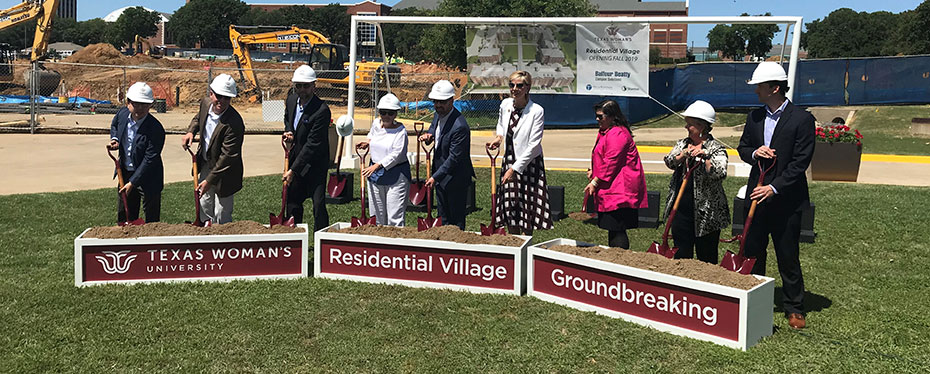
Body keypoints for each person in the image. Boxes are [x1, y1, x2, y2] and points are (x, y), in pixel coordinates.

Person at [737, 61, 815, 330]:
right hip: (756, 198)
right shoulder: (754, 117)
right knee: (753, 250)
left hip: (785, 200)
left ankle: (794, 307)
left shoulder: (802, 119)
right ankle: (755, 296)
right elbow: (743, 148)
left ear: (775, 88)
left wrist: (774, 187)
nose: (756, 91)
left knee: (787, 254)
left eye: (760, 86)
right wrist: (754, 152)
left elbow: (800, 162)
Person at [487, 71, 553, 235]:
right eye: (512, 85)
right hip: (509, 159)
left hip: (529, 164)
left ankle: (525, 245)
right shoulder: (505, 105)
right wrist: (499, 137)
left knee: (526, 206)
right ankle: (513, 241)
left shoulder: (536, 111)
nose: (515, 89)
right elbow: (501, 125)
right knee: (510, 205)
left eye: (519, 85)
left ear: (527, 88)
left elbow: (533, 144)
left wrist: (515, 169)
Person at [663, 100, 730, 264]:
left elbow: (719, 173)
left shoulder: (716, 149)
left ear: (702, 126)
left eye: (690, 125)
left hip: (707, 213)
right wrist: (684, 154)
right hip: (681, 209)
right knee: (681, 254)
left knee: (706, 257)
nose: (686, 128)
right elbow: (670, 161)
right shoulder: (683, 144)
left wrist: (705, 156)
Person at [181, 74, 245, 224]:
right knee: (204, 205)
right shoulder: (205, 104)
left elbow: (228, 156)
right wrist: (191, 131)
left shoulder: (234, 123)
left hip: (226, 171)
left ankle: (223, 243)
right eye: (219, 96)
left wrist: (209, 180)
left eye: (227, 98)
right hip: (205, 163)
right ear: (211, 93)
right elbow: (198, 118)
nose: (222, 101)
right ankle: (206, 237)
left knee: (222, 212)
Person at [584, 100, 646, 249]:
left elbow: (611, 162)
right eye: (596, 116)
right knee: (613, 228)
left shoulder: (618, 134)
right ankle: (615, 259)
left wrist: (595, 181)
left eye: (601, 117)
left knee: (617, 228)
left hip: (620, 190)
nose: (597, 120)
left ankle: (619, 261)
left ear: (612, 116)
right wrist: (594, 171)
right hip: (613, 187)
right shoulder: (607, 132)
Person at [418, 80, 475, 230]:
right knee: (442, 217)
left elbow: (454, 159)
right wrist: (430, 135)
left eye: (442, 102)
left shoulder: (460, 126)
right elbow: (434, 127)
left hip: (455, 178)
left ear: (451, 100)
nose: (438, 105)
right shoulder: (439, 114)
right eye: (435, 102)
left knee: (455, 221)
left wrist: (435, 177)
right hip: (441, 176)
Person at [106, 82, 165, 223]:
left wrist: (132, 183)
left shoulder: (156, 129)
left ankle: (151, 243)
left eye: (145, 105)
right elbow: (114, 125)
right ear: (128, 102)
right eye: (136, 104)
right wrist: (114, 138)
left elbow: (149, 159)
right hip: (125, 172)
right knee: (125, 214)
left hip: (149, 176)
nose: (140, 108)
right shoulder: (122, 114)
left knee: (151, 219)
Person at [283, 65, 330, 231]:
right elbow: (288, 118)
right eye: (299, 85)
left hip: (315, 164)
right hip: (296, 159)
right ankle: (295, 237)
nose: (302, 89)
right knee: (293, 201)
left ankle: (320, 240)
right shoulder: (290, 100)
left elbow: (313, 144)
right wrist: (289, 131)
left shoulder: (322, 110)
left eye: (306, 85)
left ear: (313, 86)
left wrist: (292, 170)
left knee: (318, 205)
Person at [357, 94, 410, 226]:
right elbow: (372, 135)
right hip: (374, 173)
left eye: (390, 113)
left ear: (396, 114)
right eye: (383, 112)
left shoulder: (400, 132)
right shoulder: (376, 123)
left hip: (396, 175)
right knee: (376, 216)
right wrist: (367, 143)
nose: (386, 116)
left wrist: (377, 166)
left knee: (394, 217)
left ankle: (395, 244)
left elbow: (396, 155)